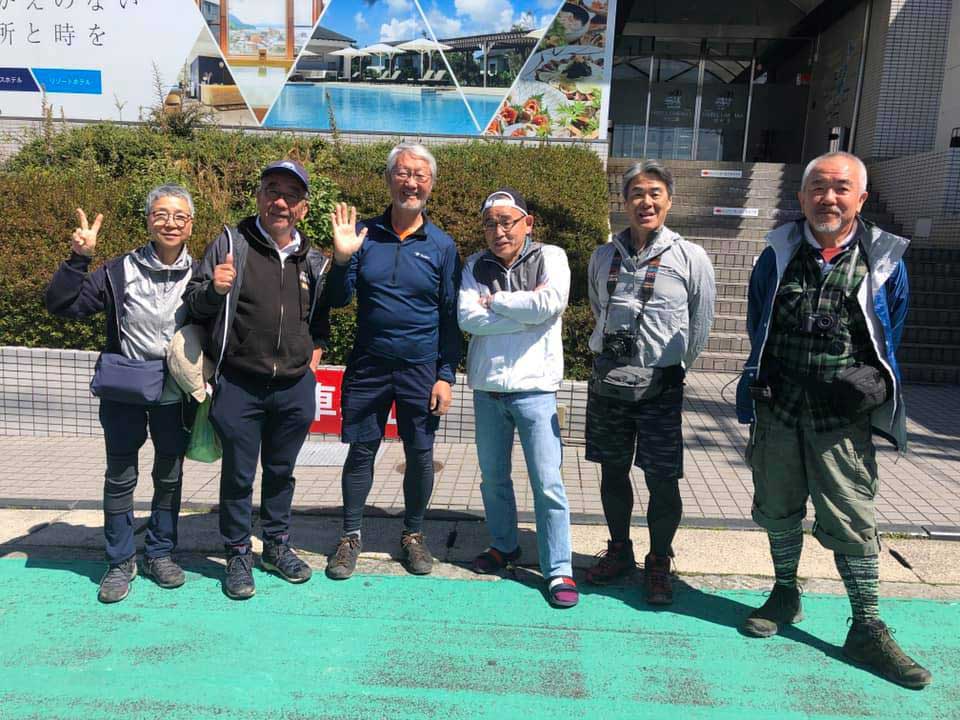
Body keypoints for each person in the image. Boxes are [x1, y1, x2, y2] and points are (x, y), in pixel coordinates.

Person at [736, 151, 931, 689]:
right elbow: (759, 321)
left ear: (860, 199)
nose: (829, 198)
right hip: (778, 408)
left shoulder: (884, 261)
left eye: (842, 188)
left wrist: (867, 383)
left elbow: (891, 330)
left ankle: (866, 625)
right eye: (818, 188)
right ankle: (784, 593)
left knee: (852, 518)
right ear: (801, 198)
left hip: (840, 419)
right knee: (777, 507)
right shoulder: (777, 254)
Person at [184, 160, 331, 600]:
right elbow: (194, 305)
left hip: (294, 387)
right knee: (238, 475)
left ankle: (276, 545)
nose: (280, 202)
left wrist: (313, 360)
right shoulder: (231, 243)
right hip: (239, 384)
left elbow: (321, 320)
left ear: (303, 208)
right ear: (259, 196)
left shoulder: (314, 259)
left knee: (282, 472)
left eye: (291, 195)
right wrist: (214, 291)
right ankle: (236, 553)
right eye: (272, 191)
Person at [45, 185, 198, 603]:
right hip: (124, 389)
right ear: (148, 220)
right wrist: (78, 259)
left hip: (175, 394)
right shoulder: (119, 270)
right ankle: (119, 561)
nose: (170, 223)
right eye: (161, 214)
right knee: (120, 476)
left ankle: (160, 553)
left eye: (179, 216)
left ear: (190, 225)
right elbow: (62, 304)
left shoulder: (200, 273)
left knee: (169, 476)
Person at [324, 143, 461, 580]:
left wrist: (445, 375)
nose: (411, 183)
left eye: (420, 175)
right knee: (361, 450)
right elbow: (338, 299)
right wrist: (342, 257)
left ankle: (413, 534)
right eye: (402, 173)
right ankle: (350, 536)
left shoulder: (442, 246)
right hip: (369, 365)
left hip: (421, 368)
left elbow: (451, 317)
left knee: (420, 454)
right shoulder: (363, 235)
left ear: (431, 184)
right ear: (388, 180)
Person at [583, 160, 716, 604]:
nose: (646, 201)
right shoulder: (603, 256)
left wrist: (675, 367)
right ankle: (619, 550)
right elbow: (598, 307)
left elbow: (701, 321)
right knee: (612, 470)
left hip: (662, 385)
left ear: (669, 201)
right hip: (610, 383)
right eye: (637, 193)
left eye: (655, 193)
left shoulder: (690, 257)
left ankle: (659, 560)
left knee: (662, 478)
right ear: (624, 202)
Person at [458, 188, 577, 608]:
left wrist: (498, 302)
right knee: (493, 478)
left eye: (507, 221)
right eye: (490, 223)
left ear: (528, 223)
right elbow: (468, 317)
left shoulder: (551, 257)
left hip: (536, 389)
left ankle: (558, 568)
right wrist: (526, 316)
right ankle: (504, 545)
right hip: (488, 388)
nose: (498, 231)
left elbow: (550, 303)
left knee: (548, 483)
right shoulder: (475, 264)